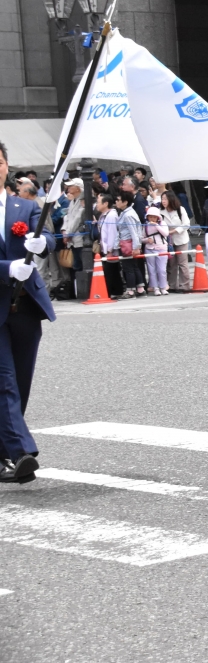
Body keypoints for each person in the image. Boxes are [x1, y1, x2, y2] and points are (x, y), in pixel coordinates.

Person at [0, 141, 57, 485]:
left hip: (25, 305)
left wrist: (43, 243)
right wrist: (6, 267)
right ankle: (21, 452)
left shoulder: (25, 205)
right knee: (4, 380)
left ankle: (3, 451)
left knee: (20, 382)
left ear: (7, 166)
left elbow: (48, 234)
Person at [116, 191, 146, 298]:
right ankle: (140, 289)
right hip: (130, 243)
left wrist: (136, 247)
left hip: (128, 243)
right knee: (134, 267)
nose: (116, 202)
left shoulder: (128, 215)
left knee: (129, 268)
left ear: (125, 202)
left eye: (118, 200)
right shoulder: (126, 213)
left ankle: (131, 291)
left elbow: (134, 232)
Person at [161, 190, 191, 293]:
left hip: (181, 239)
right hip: (169, 241)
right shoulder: (161, 212)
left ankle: (184, 286)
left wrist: (173, 231)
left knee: (182, 263)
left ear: (171, 199)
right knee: (171, 264)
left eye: (165, 199)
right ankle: (172, 285)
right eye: (162, 199)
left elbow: (186, 224)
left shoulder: (180, 210)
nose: (163, 201)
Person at [143, 207, 170, 295]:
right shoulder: (145, 226)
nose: (152, 219)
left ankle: (163, 287)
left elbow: (166, 234)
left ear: (158, 217)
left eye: (154, 217)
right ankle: (155, 288)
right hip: (149, 249)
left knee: (162, 270)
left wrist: (156, 226)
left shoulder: (162, 223)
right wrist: (147, 240)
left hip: (162, 248)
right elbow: (141, 238)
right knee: (151, 270)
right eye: (150, 217)